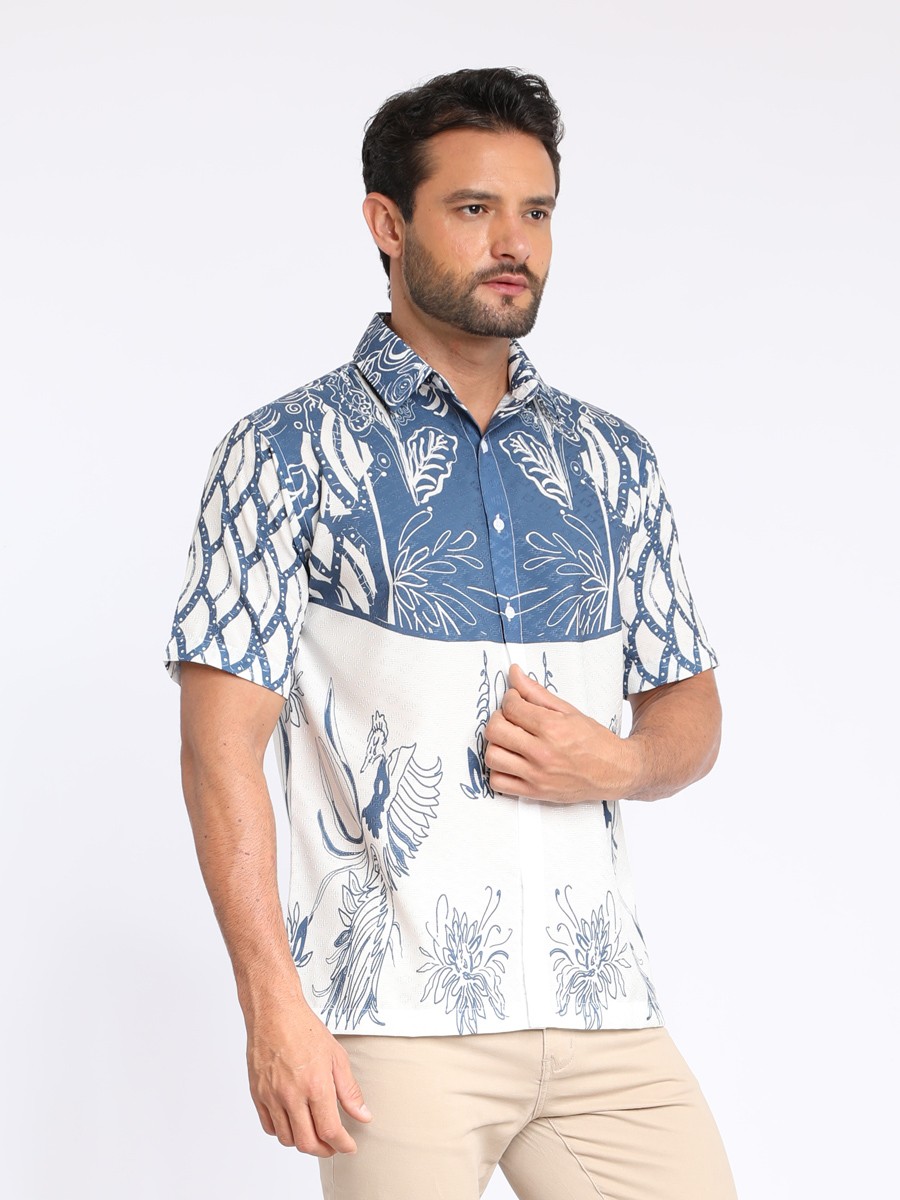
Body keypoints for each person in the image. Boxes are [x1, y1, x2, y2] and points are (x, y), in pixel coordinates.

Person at [166, 66, 738, 1200]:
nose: (513, 243)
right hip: (395, 1020)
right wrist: (272, 1004)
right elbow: (218, 747)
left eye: (537, 211)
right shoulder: (283, 452)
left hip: (604, 1009)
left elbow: (690, 707)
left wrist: (619, 763)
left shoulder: (612, 460)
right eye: (474, 208)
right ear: (388, 224)